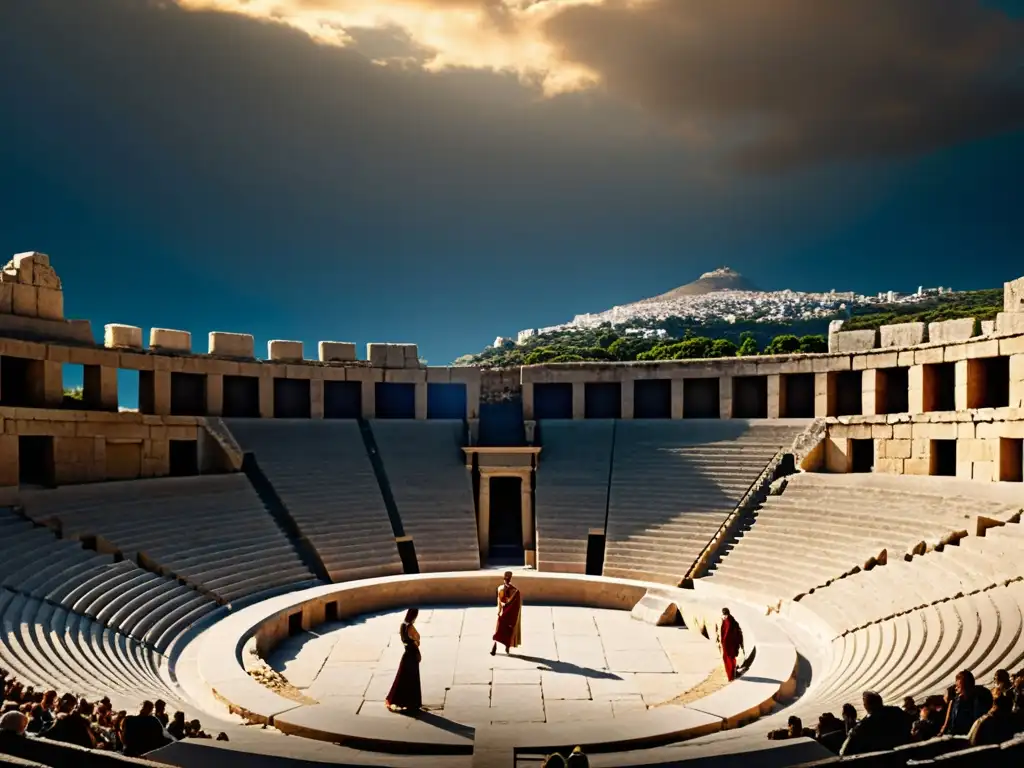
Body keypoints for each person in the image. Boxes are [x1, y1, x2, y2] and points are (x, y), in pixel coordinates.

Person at [840, 691, 909, 756]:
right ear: (880, 701)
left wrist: (850, 734)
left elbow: (843, 752)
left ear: (865, 706)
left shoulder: (864, 725)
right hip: (904, 754)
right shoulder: (897, 711)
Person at [386, 608, 423, 714]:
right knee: (412, 680)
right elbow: (417, 639)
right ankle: (412, 703)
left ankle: (400, 701)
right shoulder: (410, 627)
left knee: (402, 679)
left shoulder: (402, 625)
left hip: (406, 655)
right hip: (412, 655)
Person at [941, 670, 992, 736]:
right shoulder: (954, 702)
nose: (956, 689)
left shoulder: (977, 701)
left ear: (968, 687)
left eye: (958, 687)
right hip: (952, 736)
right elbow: (946, 724)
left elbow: (977, 723)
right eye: (956, 686)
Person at [490, 571, 523, 656]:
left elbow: (516, 604)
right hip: (503, 614)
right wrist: (500, 610)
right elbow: (499, 601)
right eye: (506, 578)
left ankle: (506, 647)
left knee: (507, 632)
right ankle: (494, 647)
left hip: (509, 615)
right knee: (498, 632)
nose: (507, 580)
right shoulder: (501, 588)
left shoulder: (515, 591)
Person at [716, 607, 744, 681]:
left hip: (729, 645)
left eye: (724, 614)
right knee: (730, 659)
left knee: (729, 660)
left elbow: (728, 634)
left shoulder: (728, 621)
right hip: (728, 645)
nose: (724, 616)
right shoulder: (731, 620)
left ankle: (732, 675)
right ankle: (733, 674)